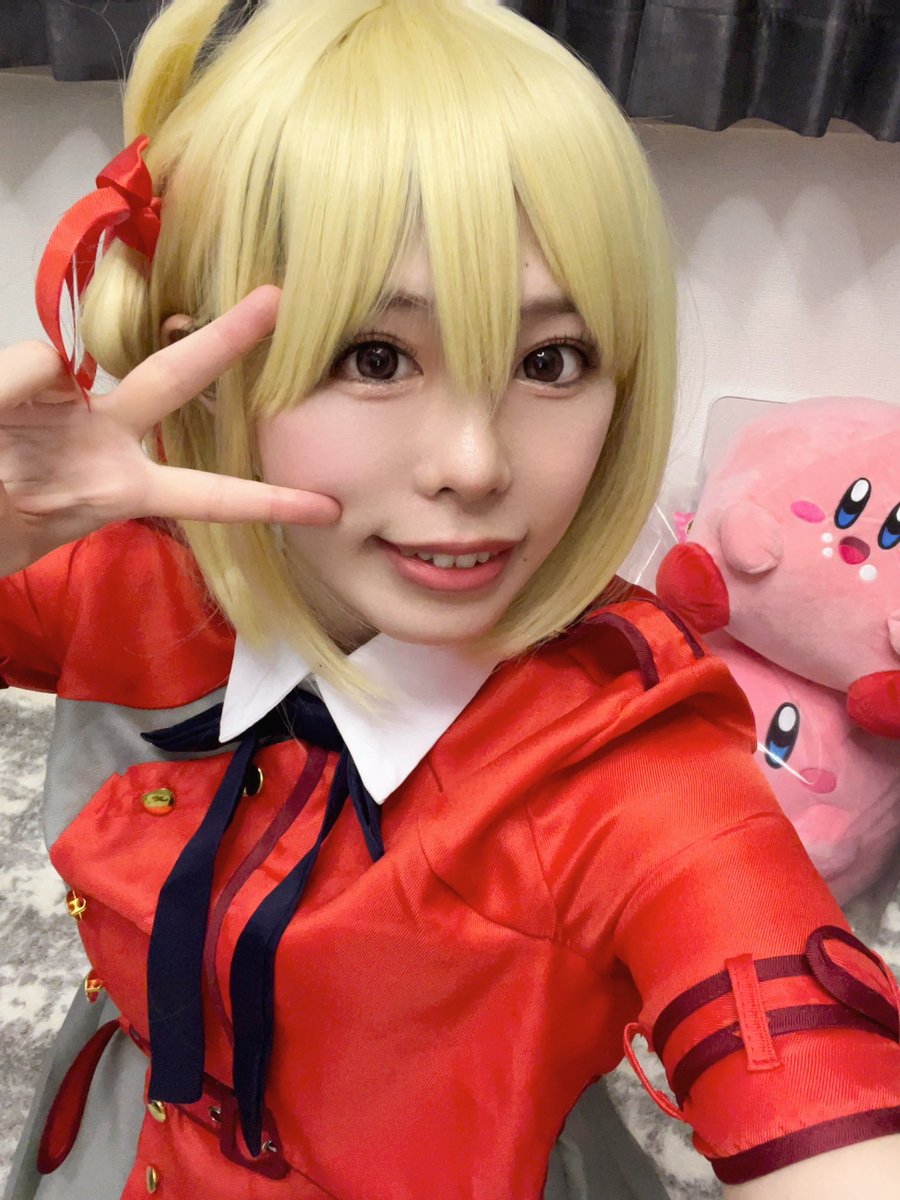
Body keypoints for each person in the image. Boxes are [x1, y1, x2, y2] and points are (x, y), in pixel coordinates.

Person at [1, 2, 898, 1198]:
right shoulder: (132, 582)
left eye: (550, 361)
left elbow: (816, 1080)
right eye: (375, 358)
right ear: (213, 369)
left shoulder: (628, 764)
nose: (474, 467)